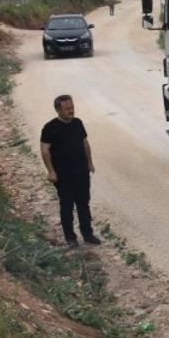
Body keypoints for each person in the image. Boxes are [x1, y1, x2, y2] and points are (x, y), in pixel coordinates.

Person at [40, 94, 100, 247]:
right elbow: (45, 150)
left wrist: (90, 163)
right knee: (67, 205)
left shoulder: (78, 123)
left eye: (72, 108)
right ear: (58, 110)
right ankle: (70, 237)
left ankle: (87, 234)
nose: (71, 111)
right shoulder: (50, 128)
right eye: (67, 109)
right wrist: (51, 171)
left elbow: (85, 143)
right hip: (63, 174)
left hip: (81, 172)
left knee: (83, 203)